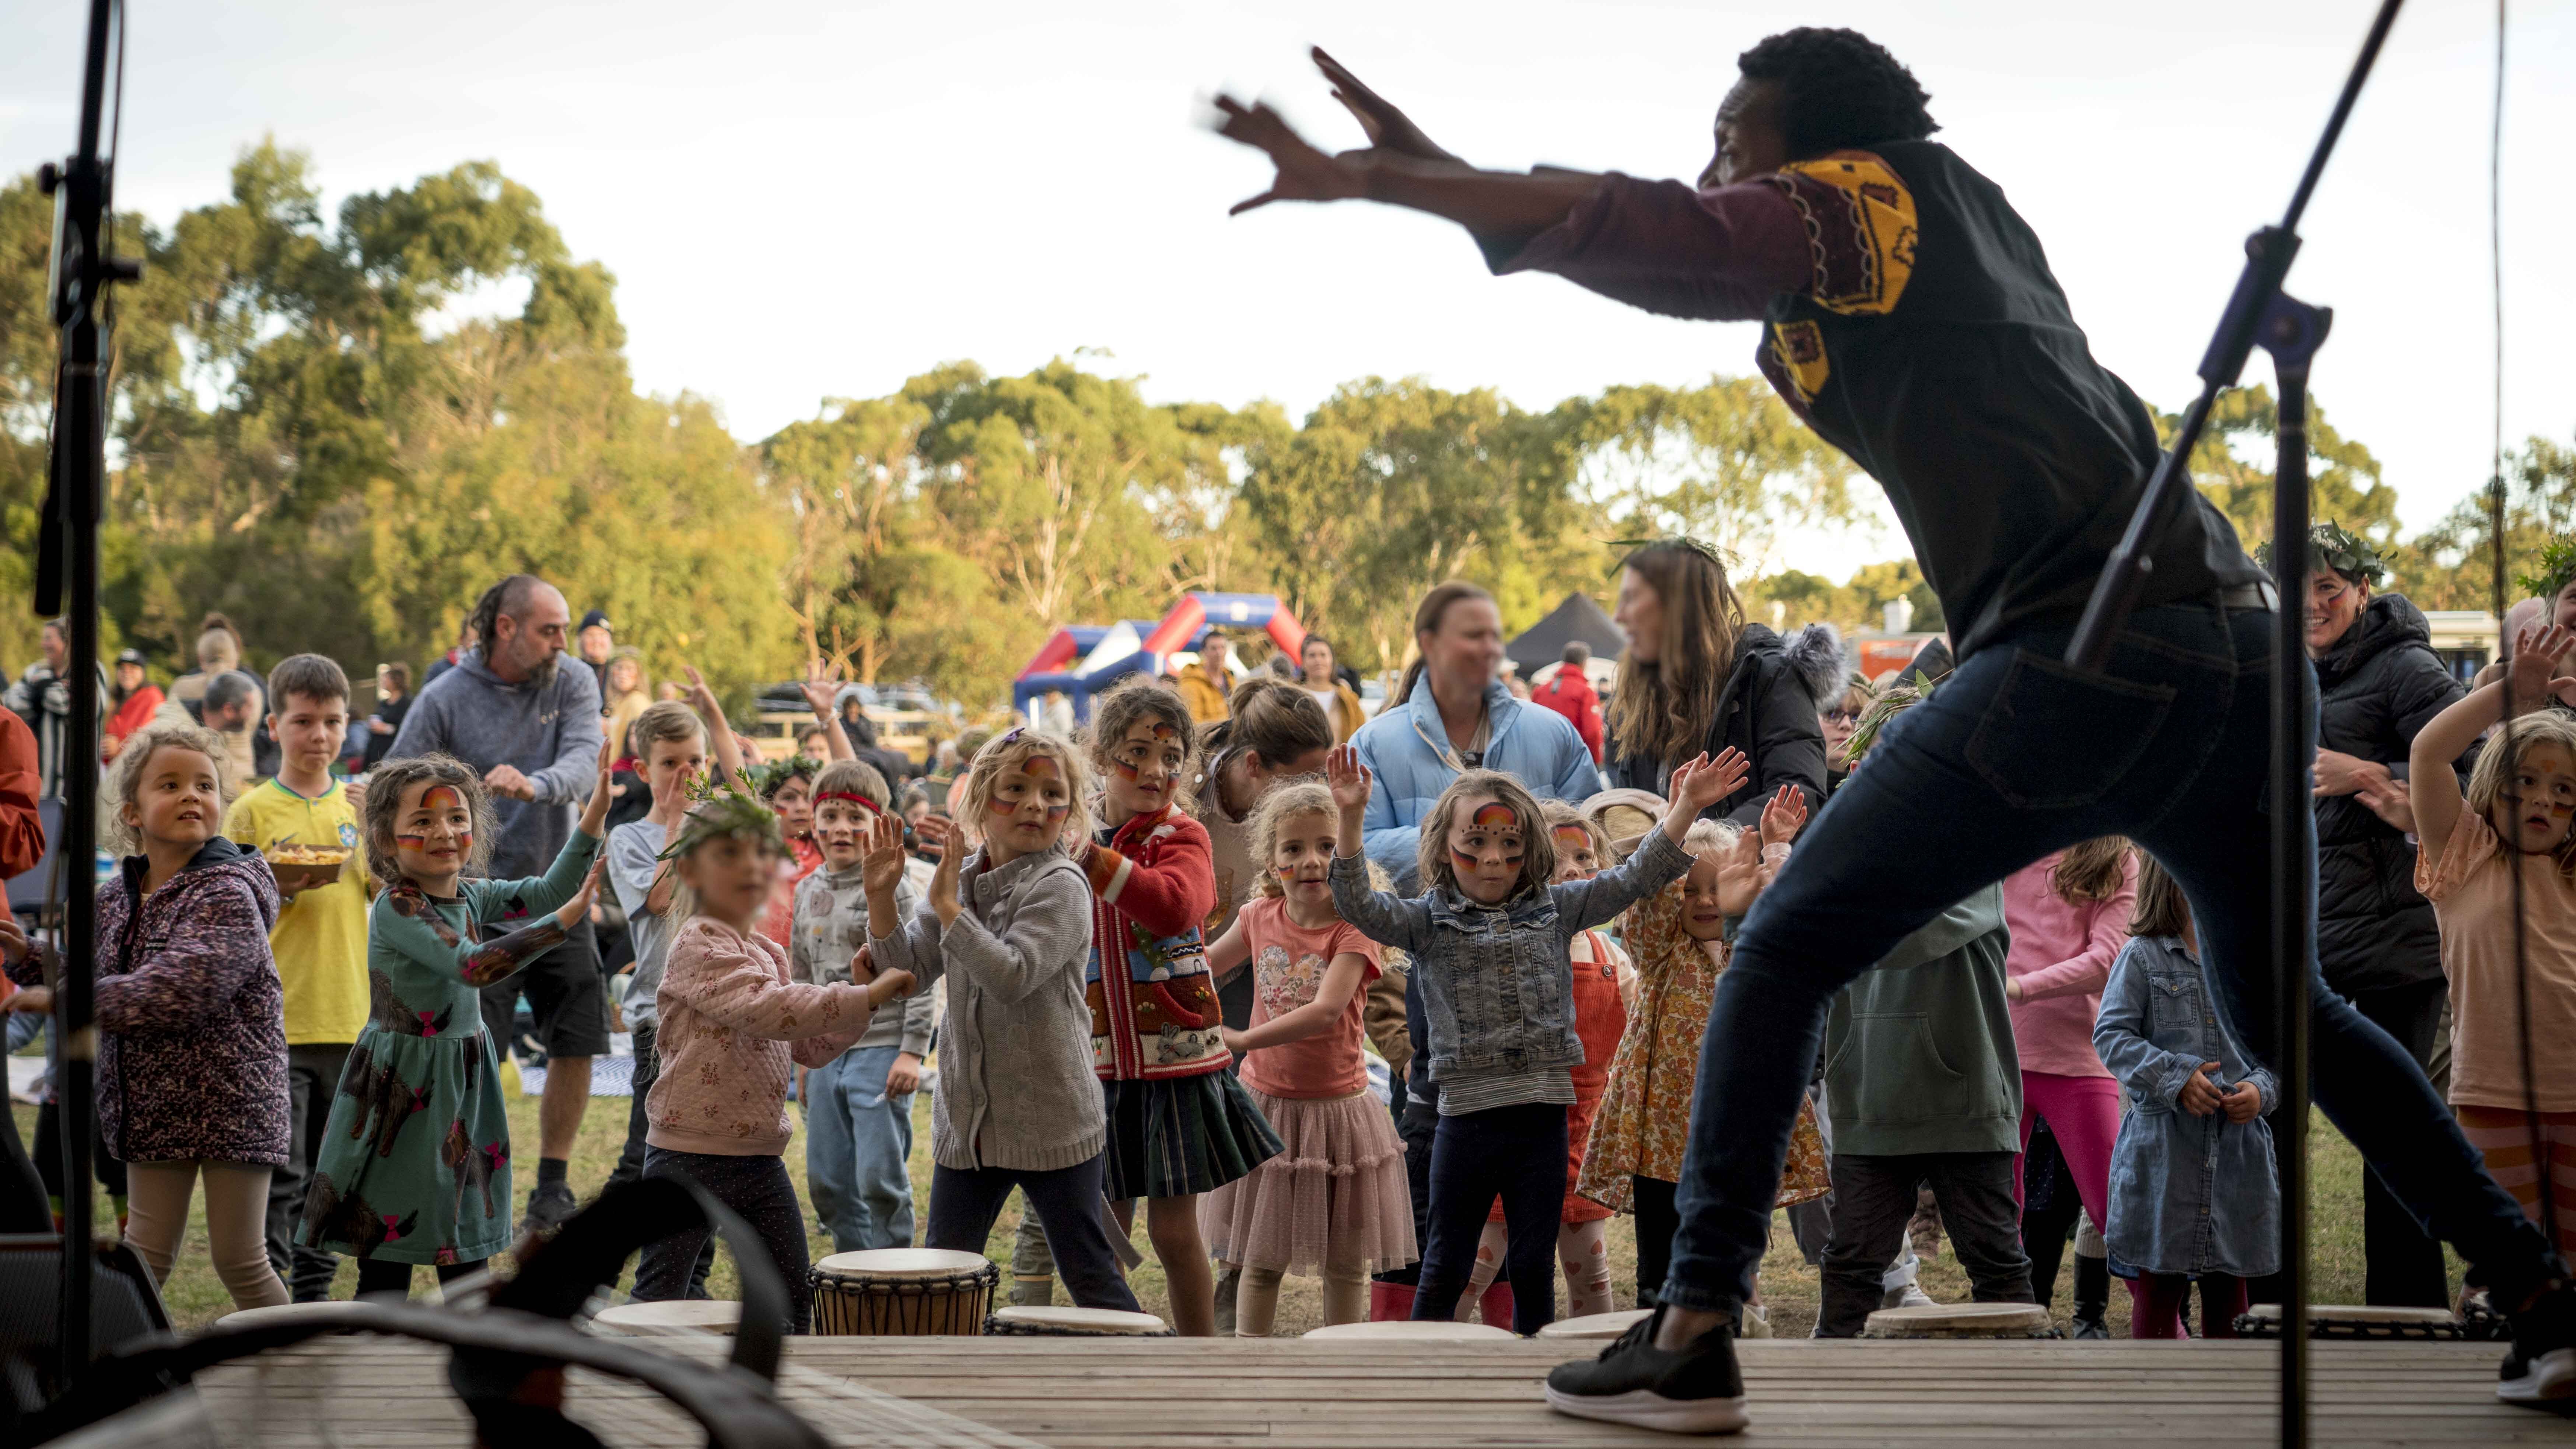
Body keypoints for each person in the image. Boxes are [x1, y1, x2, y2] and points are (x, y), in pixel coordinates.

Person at [1209, 31, 2576, 1425]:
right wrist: (1440, 174)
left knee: (1786, 944)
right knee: (2295, 1012)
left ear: (1802, 133)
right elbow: (1670, 241)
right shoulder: (1944, 210)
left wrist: (1403, 183)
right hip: (2230, 649)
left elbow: (1669, 233)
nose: (1717, 148)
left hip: (2081, 643)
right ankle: (2544, 1300)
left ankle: (1689, 1329)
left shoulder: (1864, 198)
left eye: (1734, 123)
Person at [1324, 744, 1733, 1333]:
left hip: (1543, 1122)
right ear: (1445, 846)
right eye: (1476, 845)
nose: (1493, 860)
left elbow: (1637, 875)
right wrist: (1351, 817)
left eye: (1511, 847)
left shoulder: (1558, 908)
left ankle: (1533, 1382)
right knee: (1444, 1266)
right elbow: (1356, 901)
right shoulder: (1424, 920)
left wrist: (1686, 807)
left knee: (1534, 1269)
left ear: (1529, 850)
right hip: (1462, 1124)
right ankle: (1417, 1384)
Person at [4, 722, 289, 1310]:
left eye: (206, 785)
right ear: (132, 811)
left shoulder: (226, 892)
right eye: (171, 784)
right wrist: (32, 959)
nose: (193, 795)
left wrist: (67, 1001)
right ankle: (117, 1375)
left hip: (232, 1104)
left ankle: (293, 1384)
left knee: (240, 1258)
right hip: (152, 1106)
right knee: (144, 1254)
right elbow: (93, 971)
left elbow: (179, 988)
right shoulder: (116, 897)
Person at [305, 744, 609, 1295]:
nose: (444, 831)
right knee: (387, 1253)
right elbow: (472, 966)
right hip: (402, 1085)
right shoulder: (398, 907)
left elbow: (545, 892)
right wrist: (560, 925)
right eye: (422, 820)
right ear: (383, 839)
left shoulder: (469, 895)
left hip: (461, 1085)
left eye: (456, 817)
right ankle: (379, 1369)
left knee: (463, 1241)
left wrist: (594, 815)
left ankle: (474, 1363)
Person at [863, 729, 1142, 1313]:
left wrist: (948, 911)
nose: (1036, 805)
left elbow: (1012, 975)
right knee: (944, 1272)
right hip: (969, 1126)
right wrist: (883, 899)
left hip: (1054, 1121)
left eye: (1051, 792)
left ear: (1070, 810)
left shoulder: (1062, 885)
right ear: (980, 802)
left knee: (1089, 1273)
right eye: (1016, 789)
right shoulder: (963, 880)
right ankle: (950, 1389)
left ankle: (1145, 1385)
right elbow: (903, 971)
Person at [2264, 522, 2468, 1308]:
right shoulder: (2282, 676)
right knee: (2269, 1129)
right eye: (2299, 588)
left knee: (2395, 1137)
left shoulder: (2405, 667)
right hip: (2304, 947)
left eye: (2328, 587)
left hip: (2396, 948)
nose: (2313, 603)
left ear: (2361, 591)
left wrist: (2373, 773)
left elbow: (2483, 763)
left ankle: (2409, 1308)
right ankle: (2270, 1301)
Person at [635, 786, 912, 1333]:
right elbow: (765, 1008)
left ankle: (780, 1397)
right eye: (729, 855)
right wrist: (865, 997)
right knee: (660, 1294)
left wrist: (853, 1002)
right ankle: (638, 1389)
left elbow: (802, 1043)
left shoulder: (768, 950)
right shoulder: (698, 944)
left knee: (793, 1296)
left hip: (759, 1158)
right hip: (688, 1154)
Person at [386, 573, 606, 1235]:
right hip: (472, 906)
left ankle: (553, 1185)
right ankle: (470, 1178)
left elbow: (584, 764)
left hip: (555, 899)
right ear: (505, 628)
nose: (564, 642)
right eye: (550, 629)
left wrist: (534, 784)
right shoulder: (444, 698)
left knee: (576, 1040)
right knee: (470, 1053)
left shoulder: (571, 680)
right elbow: (394, 779)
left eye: (565, 628)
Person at [1071, 679, 1281, 1336]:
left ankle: (1200, 1356)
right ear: (1103, 756)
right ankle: (1111, 1345)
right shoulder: (1068, 834)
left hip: (1174, 1063)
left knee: (1172, 1230)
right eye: (1138, 751)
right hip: (1095, 1061)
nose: (1158, 771)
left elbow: (1175, 906)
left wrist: (1086, 855)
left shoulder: (1180, 835)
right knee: (1100, 1225)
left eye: (1172, 757)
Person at [1581, 791, 1824, 1315]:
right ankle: (1657, 1325)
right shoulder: (1662, 952)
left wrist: (1778, 848)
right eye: (1689, 891)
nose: (1706, 901)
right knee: (1659, 1259)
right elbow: (1649, 905)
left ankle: (1729, 1324)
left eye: (1718, 887)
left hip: (1734, 1128)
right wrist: (1680, 820)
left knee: (1730, 1246)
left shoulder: (1753, 947)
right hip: (1659, 1134)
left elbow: (1784, 910)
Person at [1202, 779, 1417, 1336]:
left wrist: (1245, 1039)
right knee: (1259, 1259)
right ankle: (1251, 1361)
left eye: (1326, 846)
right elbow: (1204, 967)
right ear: (1272, 861)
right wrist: (1161, 958)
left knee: (1345, 1264)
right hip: (1266, 1108)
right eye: (1293, 848)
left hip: (1336, 1114)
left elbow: (1326, 1011)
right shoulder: (1257, 916)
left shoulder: (1355, 929)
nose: (1311, 860)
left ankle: (1340, 1366)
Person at [2412, 623, 2576, 1265]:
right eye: (2528, 781)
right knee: (2503, 1267)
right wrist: (2512, 694)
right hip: (2495, 1095)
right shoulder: (2465, 857)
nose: (2544, 797)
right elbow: (2428, 753)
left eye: (2564, 790)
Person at [1812, 876, 2033, 1338]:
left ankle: (2025, 1392)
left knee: (1994, 1260)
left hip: (1966, 1106)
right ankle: (1830, 1395)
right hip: (1869, 1101)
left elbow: (1907, 939)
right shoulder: (1849, 867)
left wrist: (1817, 914)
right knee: (1850, 1264)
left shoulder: (1976, 870)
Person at [221, 655, 371, 1303]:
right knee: (281, 1172)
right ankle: (272, 1296)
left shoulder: (357, 806)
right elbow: (222, 910)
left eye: (333, 721)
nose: (320, 736)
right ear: (275, 725)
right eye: (304, 721)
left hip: (350, 1016)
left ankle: (314, 1297)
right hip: (275, 1022)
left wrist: (376, 830)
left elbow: (393, 894)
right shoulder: (250, 811)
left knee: (335, 1174)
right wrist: (273, 886)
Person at [1192, 675, 1337, 1330]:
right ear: (1254, 766)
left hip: (1267, 957)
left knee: (1246, 1130)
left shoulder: (1302, 832)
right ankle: (1203, 1280)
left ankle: (1233, 1293)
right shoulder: (1185, 781)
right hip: (1194, 959)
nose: (1316, 797)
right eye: (1300, 779)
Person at [1455, 802, 1636, 1321]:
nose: (1575, 869)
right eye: (1559, 859)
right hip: (1508, 1139)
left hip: (1581, 1141)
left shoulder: (1610, 956)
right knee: (1472, 1271)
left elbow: (1634, 1039)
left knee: (1593, 1277)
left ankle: (1591, 1366)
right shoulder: (1503, 945)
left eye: (1586, 856)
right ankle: (1436, 1361)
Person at [2094, 855, 2279, 1339]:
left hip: (2238, 1162)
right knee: (2160, 1288)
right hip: (2165, 1160)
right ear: (2168, 882)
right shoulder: (2141, 956)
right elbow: (2112, 1035)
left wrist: (2259, 1092)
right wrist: (2176, 1076)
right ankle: (2153, 1398)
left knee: (2228, 1288)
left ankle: (2221, 1402)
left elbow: (2283, 1052)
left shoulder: (2247, 958)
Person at [1350, 582, 1600, 892]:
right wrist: (1457, 839)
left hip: (1544, 933)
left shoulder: (1553, 731)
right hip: (1423, 934)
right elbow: (1358, 851)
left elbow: (1592, 834)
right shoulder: (1372, 742)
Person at [794, 758, 938, 1253]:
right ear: (813, 823)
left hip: (882, 1049)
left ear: (877, 826)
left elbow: (920, 972)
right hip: (827, 1055)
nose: (841, 829)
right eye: (830, 816)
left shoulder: (894, 886)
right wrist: (802, 1054)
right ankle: (855, 1273)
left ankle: (893, 1274)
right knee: (829, 1184)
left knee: (879, 1179)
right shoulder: (805, 890)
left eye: (856, 818)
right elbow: (800, 976)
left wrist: (913, 1052)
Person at [605, 697, 742, 1193]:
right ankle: (596, 1262)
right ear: (643, 770)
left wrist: (715, 712)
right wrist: (677, 822)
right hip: (659, 1019)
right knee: (648, 1153)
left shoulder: (719, 828)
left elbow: (747, 788)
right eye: (670, 764)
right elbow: (662, 899)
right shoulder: (629, 840)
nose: (687, 775)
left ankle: (697, 1273)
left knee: (709, 1158)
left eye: (697, 762)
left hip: (718, 1011)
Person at [1601, 542, 1833, 827]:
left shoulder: (1768, 676)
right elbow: (1628, 800)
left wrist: (1710, 849)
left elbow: (1797, 793)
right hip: (1665, 870)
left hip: (1750, 868)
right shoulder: (1637, 696)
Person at [1999, 840, 2137, 1316]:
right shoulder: (2005, 845)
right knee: (2001, 1212)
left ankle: (2160, 1319)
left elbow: (2107, 958)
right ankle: (2009, 1328)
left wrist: (2020, 986)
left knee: (2114, 1207)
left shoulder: (2116, 857)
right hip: (2000, 1054)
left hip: (2076, 1056)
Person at [152, 614, 263, 784]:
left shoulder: (181, 687)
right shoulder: (254, 690)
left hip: (194, 780)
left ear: (201, 659)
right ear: (235, 657)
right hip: (241, 781)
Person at [8, 617, 109, 799]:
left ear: (67, 642)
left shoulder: (92, 670)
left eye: (49, 638)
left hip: (82, 786)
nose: (43, 644)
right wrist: (46, 691)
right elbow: (12, 703)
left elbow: (79, 707)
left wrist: (42, 691)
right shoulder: (37, 671)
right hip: (44, 784)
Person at [1529, 642, 1606, 765]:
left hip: (1542, 757)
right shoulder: (1585, 691)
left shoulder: (1541, 690)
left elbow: (1531, 725)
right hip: (1572, 760)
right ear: (1584, 663)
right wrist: (1596, 761)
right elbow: (1592, 732)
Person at [1299, 635, 1367, 744]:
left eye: (1323, 655)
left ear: (1332, 661)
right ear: (1302, 662)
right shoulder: (1291, 699)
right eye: (1312, 656)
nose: (1318, 660)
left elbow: (1362, 737)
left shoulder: (1349, 700)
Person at [104, 647, 164, 763]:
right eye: (122, 669)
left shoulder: (153, 696)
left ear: (143, 672)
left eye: (133, 668)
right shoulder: (116, 701)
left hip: (141, 767)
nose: (127, 673)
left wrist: (120, 748)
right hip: (116, 769)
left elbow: (147, 737)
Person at [1817, 674, 1870, 797]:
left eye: (1857, 717)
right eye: (1832, 713)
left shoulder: (1873, 793)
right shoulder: (1787, 786)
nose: (1846, 725)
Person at [602, 647, 651, 767]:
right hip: (614, 770)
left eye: (630, 669)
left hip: (627, 774)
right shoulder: (619, 702)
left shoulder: (638, 701)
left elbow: (642, 748)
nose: (623, 674)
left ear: (639, 674)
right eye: (619, 668)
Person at [361, 662, 414, 773]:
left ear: (397, 680)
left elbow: (410, 729)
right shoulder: (383, 703)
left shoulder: (407, 703)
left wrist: (387, 729)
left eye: (387, 678)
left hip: (395, 755)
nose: (384, 681)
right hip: (376, 752)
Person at [1175, 632, 1235, 724]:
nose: (1219, 653)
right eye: (1214, 648)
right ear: (1204, 652)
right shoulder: (1191, 683)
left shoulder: (1230, 678)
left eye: (1222, 647)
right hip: (1208, 737)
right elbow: (1193, 725)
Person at [422, 621, 475, 691]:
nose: (475, 645)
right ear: (461, 639)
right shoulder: (438, 669)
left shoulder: (485, 672)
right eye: (471, 641)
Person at [576, 609, 616, 696]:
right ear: (581, 640)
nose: (597, 641)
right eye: (591, 635)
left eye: (602, 635)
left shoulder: (618, 672)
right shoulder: (572, 671)